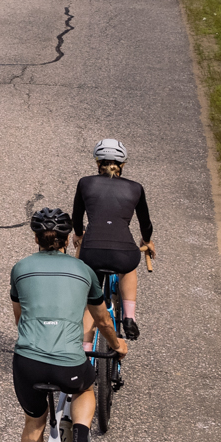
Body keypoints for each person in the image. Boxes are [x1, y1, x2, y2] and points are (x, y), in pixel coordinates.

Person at [12, 205, 124, 442]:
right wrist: (117, 345)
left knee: (34, 424)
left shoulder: (21, 268)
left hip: (28, 362)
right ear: (66, 241)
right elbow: (102, 321)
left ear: (36, 239)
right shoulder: (84, 271)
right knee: (84, 388)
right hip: (68, 364)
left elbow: (20, 319)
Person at [72, 138, 156, 338]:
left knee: (93, 303)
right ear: (122, 165)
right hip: (123, 253)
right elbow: (146, 222)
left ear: (97, 163)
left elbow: (77, 216)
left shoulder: (85, 182)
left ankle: (85, 352)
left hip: (92, 252)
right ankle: (129, 317)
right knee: (128, 267)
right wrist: (147, 240)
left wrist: (78, 234)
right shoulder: (136, 188)